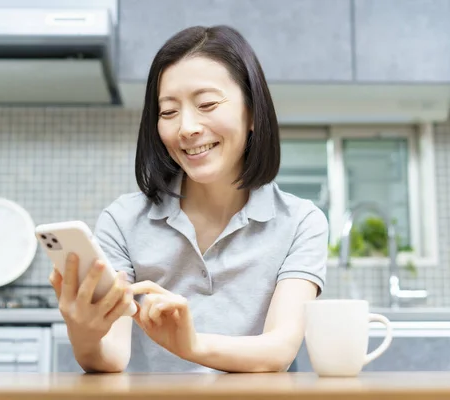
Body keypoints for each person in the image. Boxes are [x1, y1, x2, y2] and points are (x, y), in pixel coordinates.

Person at [49, 25, 329, 374]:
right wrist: (83, 332)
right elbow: (111, 357)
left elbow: (280, 348)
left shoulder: (301, 222)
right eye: (168, 112)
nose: (187, 128)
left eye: (207, 104)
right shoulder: (122, 221)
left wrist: (191, 345)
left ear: (253, 112)